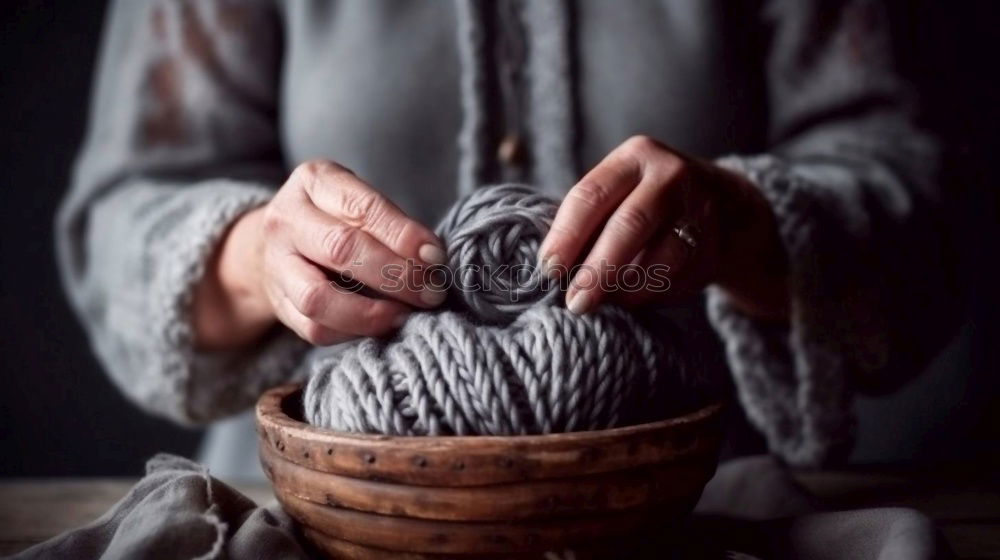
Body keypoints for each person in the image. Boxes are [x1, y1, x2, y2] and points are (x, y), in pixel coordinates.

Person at [56, 0, 956, 480]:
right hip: (332, 503)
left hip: (684, 511)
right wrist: (256, 257)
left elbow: (922, 199)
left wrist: (746, 225)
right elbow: (122, 215)